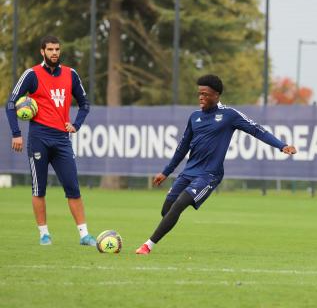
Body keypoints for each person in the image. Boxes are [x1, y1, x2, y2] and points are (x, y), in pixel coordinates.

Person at [135, 74, 297, 255]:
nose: (201, 97)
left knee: (180, 204)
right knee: (167, 210)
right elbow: (182, 148)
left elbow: (257, 130)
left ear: (217, 95)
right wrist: (166, 172)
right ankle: (157, 235)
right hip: (189, 172)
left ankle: (147, 245)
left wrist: (282, 146)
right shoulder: (194, 117)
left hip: (209, 175)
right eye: (199, 94)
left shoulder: (229, 115)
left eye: (205, 94)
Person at [5, 35, 96, 246]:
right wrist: (16, 133)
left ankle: (84, 235)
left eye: (57, 49)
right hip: (39, 138)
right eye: (50, 49)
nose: (54, 52)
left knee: (73, 188)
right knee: (39, 189)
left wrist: (76, 125)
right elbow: (11, 104)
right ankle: (44, 234)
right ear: (42, 52)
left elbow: (84, 104)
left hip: (62, 140)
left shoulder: (70, 74)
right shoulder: (32, 74)